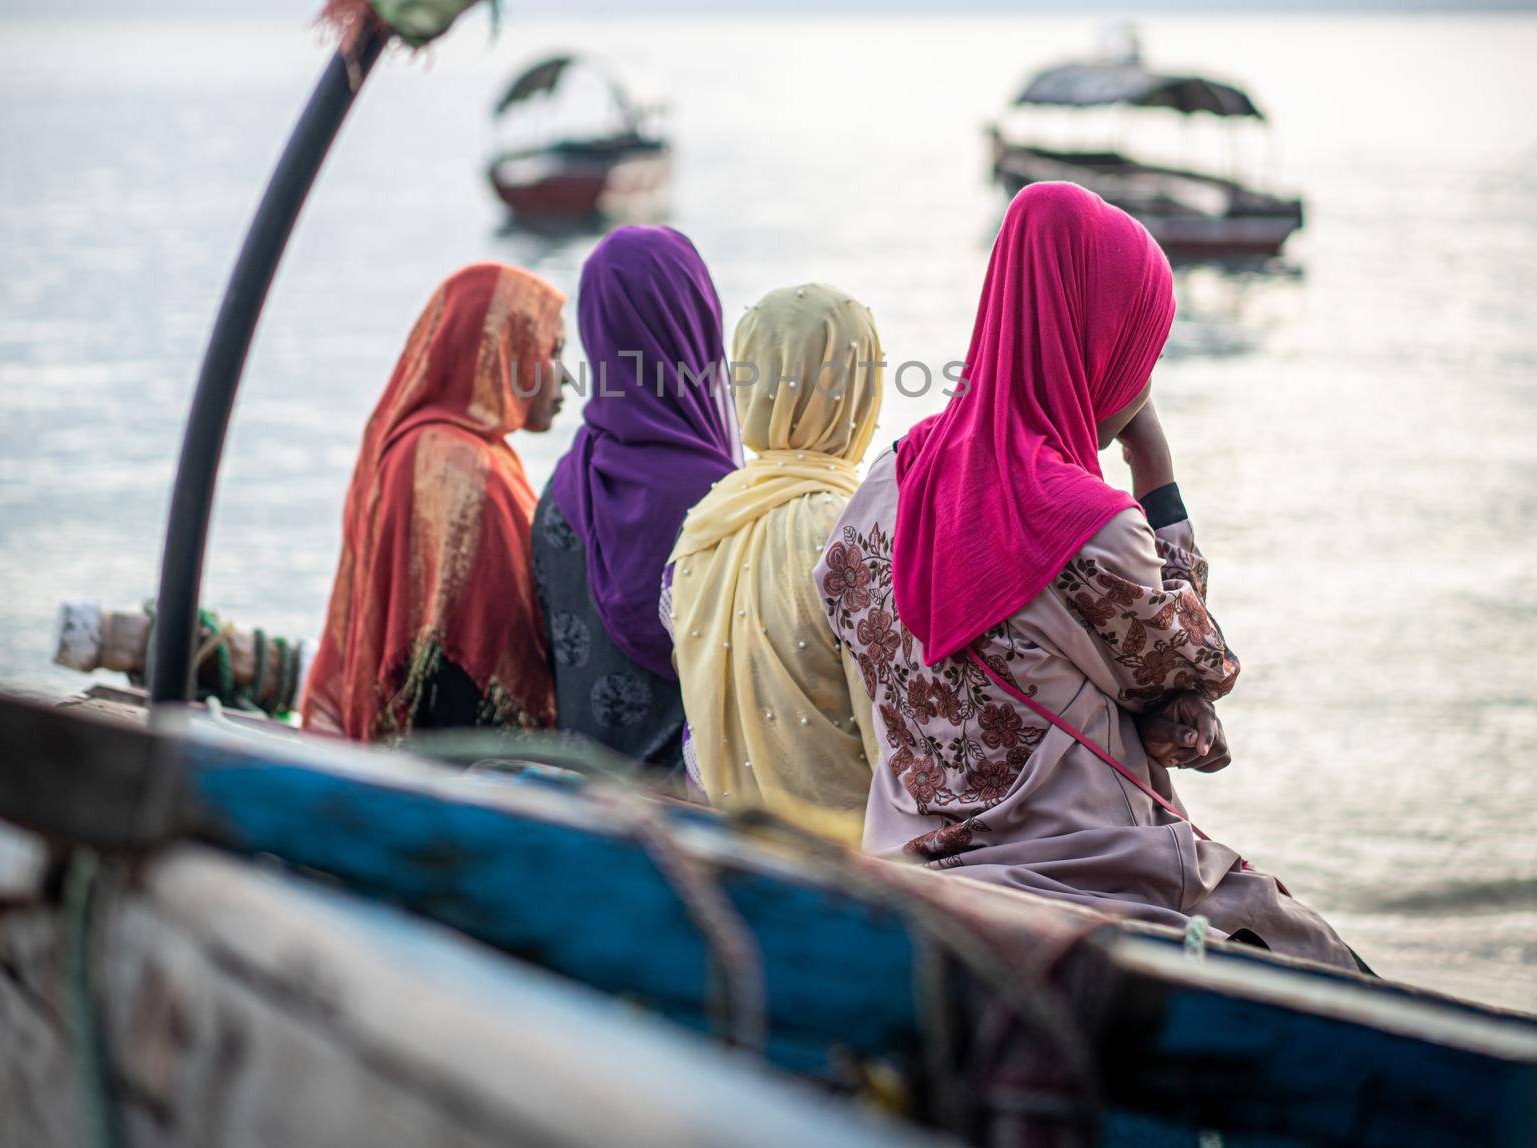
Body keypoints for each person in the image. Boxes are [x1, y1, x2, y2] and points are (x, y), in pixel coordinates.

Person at [816, 182, 1358, 966]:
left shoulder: (883, 488)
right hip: (1087, 876)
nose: (1137, 378)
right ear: (1100, 349)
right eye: (1138, 352)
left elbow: (843, 601)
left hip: (909, 864)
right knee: (1319, 955)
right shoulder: (1086, 525)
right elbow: (1202, 659)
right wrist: (1153, 465)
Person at [303, 263, 566, 740]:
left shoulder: (425, 443)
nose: (567, 377)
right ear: (503, 349)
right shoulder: (458, 467)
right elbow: (465, 645)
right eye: (554, 351)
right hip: (451, 756)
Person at [668, 283, 884, 840]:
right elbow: (901, 741)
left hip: (727, 851)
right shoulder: (859, 529)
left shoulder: (702, 527)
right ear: (861, 388)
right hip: (850, 866)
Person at [534, 227, 738, 768]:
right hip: (692, 830)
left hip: (576, 807)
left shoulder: (563, 489)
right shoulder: (727, 504)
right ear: (696, 318)